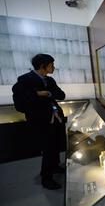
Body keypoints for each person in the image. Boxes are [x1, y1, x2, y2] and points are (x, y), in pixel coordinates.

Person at [12, 54, 66, 189]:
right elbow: (20, 102)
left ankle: (55, 166)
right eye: (51, 65)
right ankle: (46, 178)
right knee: (47, 148)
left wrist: (48, 92)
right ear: (43, 66)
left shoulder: (50, 81)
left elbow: (61, 95)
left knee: (56, 144)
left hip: (55, 118)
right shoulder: (25, 80)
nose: (53, 67)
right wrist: (37, 94)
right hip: (40, 120)